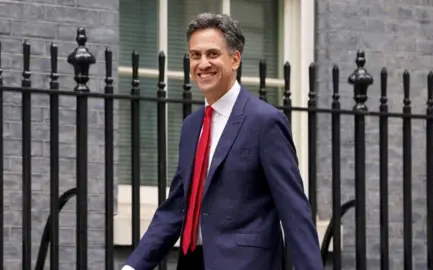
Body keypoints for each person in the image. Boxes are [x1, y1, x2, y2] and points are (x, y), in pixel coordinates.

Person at [122, 12, 323, 270]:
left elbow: (295, 211)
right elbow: (177, 208)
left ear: (235, 58)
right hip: (193, 262)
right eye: (195, 55)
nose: (202, 63)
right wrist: (132, 267)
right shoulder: (191, 126)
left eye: (212, 54)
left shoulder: (265, 122)